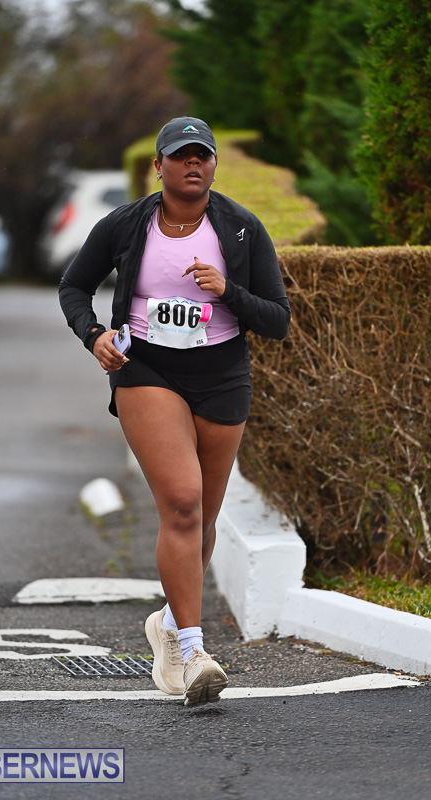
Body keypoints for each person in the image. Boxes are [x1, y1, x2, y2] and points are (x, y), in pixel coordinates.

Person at [59, 116, 290, 707]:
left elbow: (277, 320)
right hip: (147, 371)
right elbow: (74, 286)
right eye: (181, 156)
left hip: (220, 377)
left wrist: (226, 291)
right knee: (182, 502)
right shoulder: (128, 224)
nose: (194, 165)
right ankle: (193, 652)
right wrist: (94, 336)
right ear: (157, 166)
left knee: (203, 522)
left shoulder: (240, 230)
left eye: (203, 157)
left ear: (214, 166)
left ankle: (165, 624)